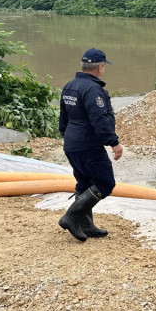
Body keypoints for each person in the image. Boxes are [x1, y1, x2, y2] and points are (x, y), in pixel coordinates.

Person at [57, 48, 124, 242]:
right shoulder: (93, 90)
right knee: (105, 183)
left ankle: (85, 225)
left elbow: (63, 119)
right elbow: (99, 119)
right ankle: (71, 216)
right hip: (88, 145)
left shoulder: (70, 86)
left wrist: (68, 137)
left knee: (85, 183)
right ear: (100, 67)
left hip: (72, 144)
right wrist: (114, 143)